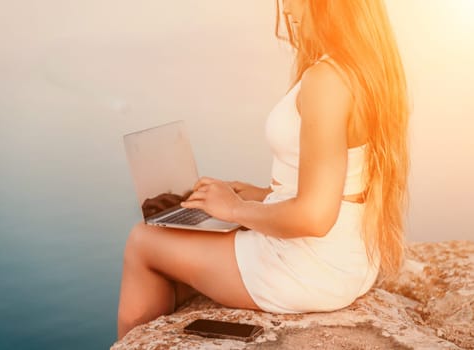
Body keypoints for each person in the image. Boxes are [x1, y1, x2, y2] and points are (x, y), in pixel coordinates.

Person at [116, 0, 409, 340]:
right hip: (349, 258)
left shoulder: (326, 80)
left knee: (144, 242)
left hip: (309, 267)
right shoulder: (363, 69)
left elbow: (315, 216)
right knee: (182, 248)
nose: (287, 11)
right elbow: (343, 188)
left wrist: (236, 209)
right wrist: (259, 196)